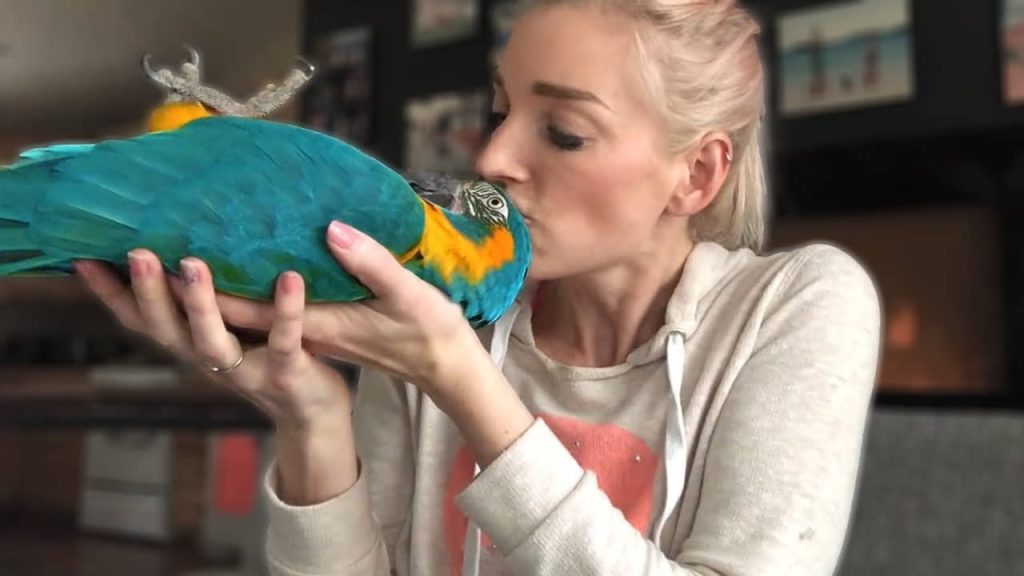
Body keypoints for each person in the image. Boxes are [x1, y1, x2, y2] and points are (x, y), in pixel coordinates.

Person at [75, 0, 882, 574]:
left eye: (563, 132)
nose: (493, 160)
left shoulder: (797, 306)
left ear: (696, 174)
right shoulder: (439, 307)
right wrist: (311, 414)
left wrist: (459, 378)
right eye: (500, 110)